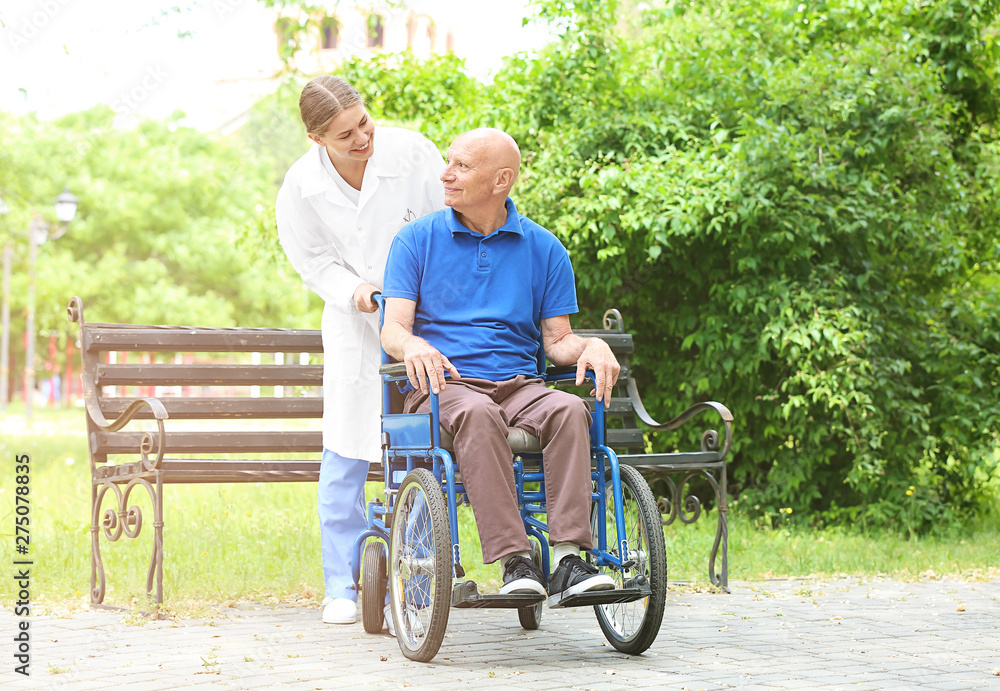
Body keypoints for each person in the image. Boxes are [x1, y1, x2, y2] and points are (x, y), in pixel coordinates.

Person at [380, 128, 620, 598]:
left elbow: (558, 341)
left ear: (501, 180)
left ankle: (569, 560)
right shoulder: (415, 240)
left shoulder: (544, 248)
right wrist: (412, 347)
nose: (446, 174)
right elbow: (393, 329)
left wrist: (592, 345)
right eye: (448, 162)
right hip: (445, 387)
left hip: (519, 385)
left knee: (570, 410)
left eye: (462, 166)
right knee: (477, 413)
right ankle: (517, 561)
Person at [275, 75, 445, 628]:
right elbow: (313, 262)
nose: (362, 138)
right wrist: (360, 293)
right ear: (316, 138)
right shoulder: (301, 187)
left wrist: (416, 293)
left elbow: (451, 226)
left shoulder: (415, 153)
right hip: (355, 321)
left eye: (364, 122)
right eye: (344, 135)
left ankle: (419, 572)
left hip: (425, 318)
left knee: (420, 439)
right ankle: (340, 585)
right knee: (346, 446)